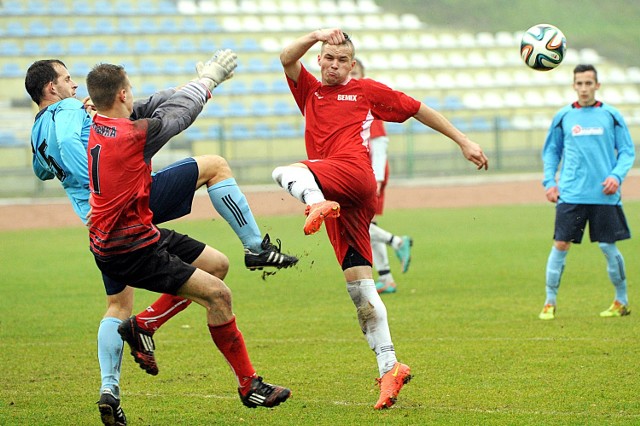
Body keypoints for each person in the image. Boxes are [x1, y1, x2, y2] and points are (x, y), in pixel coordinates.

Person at [26, 56, 295, 425]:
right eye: (66, 79)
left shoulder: (41, 129)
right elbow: (168, 118)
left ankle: (112, 384)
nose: (74, 87)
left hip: (101, 230)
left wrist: (195, 82)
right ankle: (256, 251)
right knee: (214, 167)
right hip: (125, 218)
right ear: (50, 89)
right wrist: (208, 81)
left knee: (127, 303)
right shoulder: (74, 114)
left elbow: (43, 169)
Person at [271, 29, 489, 409]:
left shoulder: (366, 90)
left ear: (351, 65)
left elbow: (419, 108)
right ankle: (390, 367)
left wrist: (463, 140)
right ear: (319, 60)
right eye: (329, 58)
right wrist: (317, 35)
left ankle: (316, 202)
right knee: (360, 289)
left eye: (342, 60)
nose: (334, 66)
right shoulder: (309, 90)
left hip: (353, 175)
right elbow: (287, 57)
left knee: (282, 172)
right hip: (343, 199)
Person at [539, 64, 635, 321]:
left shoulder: (611, 115)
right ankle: (549, 302)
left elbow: (627, 151)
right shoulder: (564, 117)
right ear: (574, 86)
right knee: (560, 244)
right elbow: (551, 152)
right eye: (579, 83)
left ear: (597, 85)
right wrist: (549, 182)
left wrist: (616, 176)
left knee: (608, 246)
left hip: (604, 195)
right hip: (571, 194)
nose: (584, 88)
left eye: (588, 83)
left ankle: (621, 301)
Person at [349, 58, 412, 294]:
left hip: (371, 172)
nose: (352, 77)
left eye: (356, 73)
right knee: (368, 223)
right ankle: (386, 278)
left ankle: (397, 242)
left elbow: (379, 141)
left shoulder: (365, 103)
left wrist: (375, 179)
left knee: (360, 224)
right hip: (366, 171)